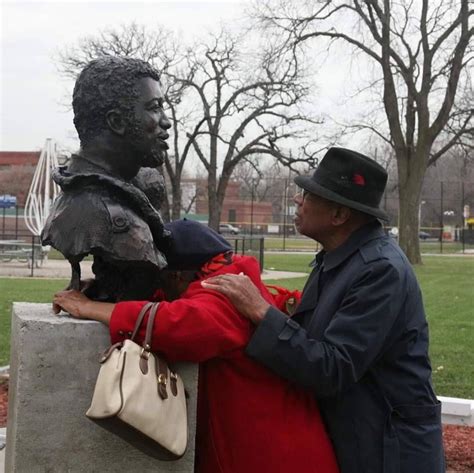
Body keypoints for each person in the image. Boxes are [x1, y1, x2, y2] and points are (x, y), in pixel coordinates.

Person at [202, 148, 445, 473]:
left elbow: (333, 368)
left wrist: (262, 312)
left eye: (309, 195)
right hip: (365, 440)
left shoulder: (380, 270)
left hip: (390, 453)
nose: (298, 202)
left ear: (339, 215)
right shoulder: (340, 257)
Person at [53, 219, 340, 473]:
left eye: (160, 276)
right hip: (281, 446)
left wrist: (91, 309)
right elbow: (172, 298)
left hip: (274, 458)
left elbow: (178, 323)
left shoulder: (225, 296)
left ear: (177, 276)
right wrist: (106, 292)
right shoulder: (227, 276)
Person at [42, 56, 171, 301]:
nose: (166, 121)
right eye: (154, 107)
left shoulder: (141, 186)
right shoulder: (90, 211)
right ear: (117, 122)